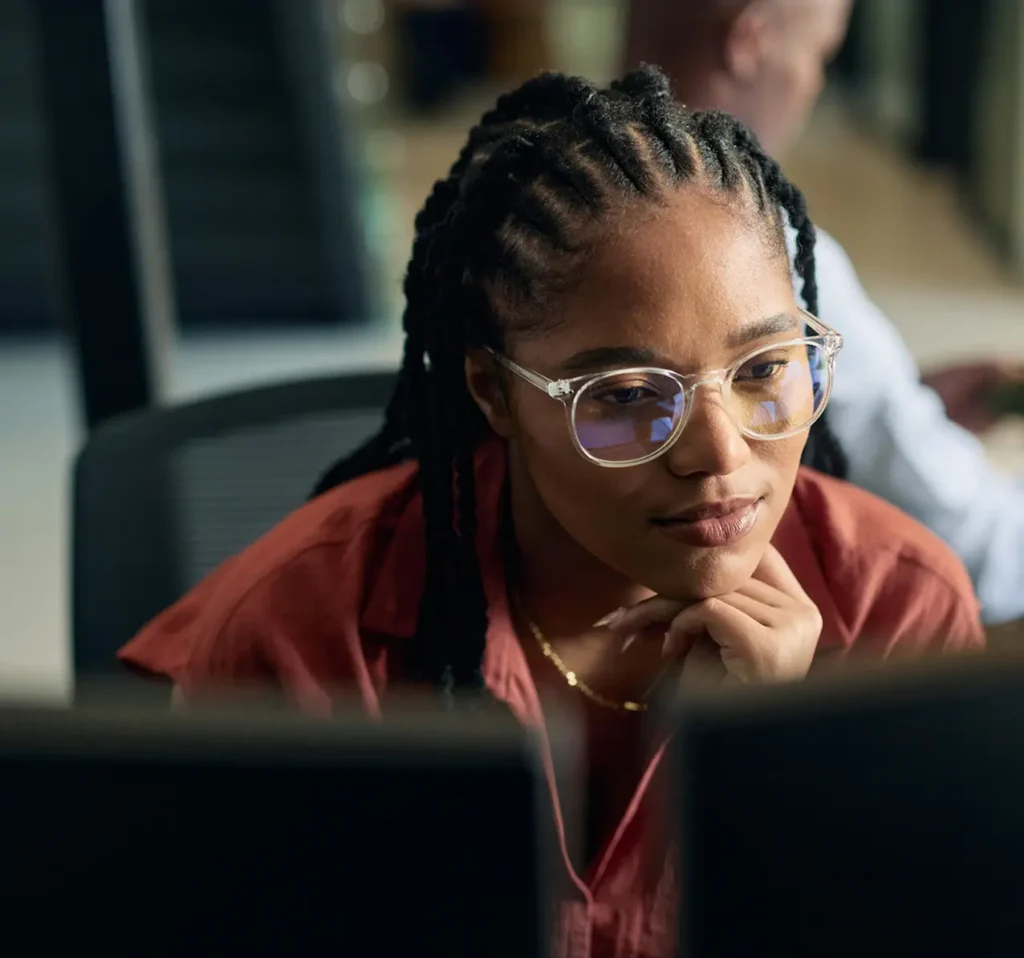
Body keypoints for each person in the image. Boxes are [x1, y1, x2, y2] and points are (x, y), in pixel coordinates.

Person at [120, 68, 983, 957]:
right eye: (628, 394)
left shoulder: (899, 614)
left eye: (764, 369)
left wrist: (773, 766)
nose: (719, 455)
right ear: (494, 392)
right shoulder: (303, 638)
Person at [624, 0, 1024, 624]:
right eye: (819, 55)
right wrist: (898, 420)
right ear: (749, 41)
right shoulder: (764, 256)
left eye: (763, 371)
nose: (811, 86)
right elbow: (983, 554)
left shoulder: (550, 206)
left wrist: (910, 402)